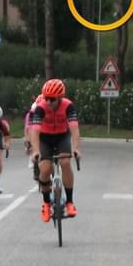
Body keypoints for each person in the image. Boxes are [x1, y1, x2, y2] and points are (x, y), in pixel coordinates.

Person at [26, 78, 82, 221]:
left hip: (62, 137)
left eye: (52, 99)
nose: (48, 102)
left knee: (65, 162)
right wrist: (36, 151)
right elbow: (34, 131)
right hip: (45, 139)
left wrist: (76, 148)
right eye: (46, 98)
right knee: (45, 168)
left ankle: (69, 202)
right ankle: (46, 203)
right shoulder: (41, 108)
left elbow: (74, 128)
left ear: (60, 98)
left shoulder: (68, 106)